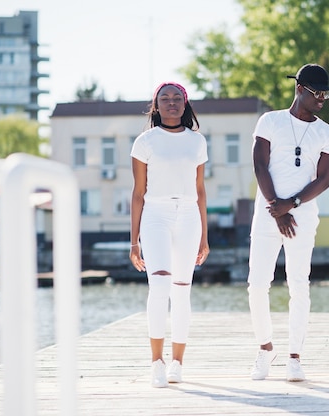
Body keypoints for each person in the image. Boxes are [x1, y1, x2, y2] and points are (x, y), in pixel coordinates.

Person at [248, 64, 329, 382]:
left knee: (299, 284)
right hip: (268, 212)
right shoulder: (270, 121)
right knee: (257, 283)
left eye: (326, 94)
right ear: (299, 89)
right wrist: (277, 207)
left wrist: (293, 204)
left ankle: (294, 357)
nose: (323, 99)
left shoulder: (326, 132)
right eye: (318, 93)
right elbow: (260, 165)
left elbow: (324, 179)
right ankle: (265, 348)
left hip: (302, 215)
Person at [129, 82, 209, 388]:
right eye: (165, 99)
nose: (171, 103)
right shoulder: (145, 141)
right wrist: (134, 241)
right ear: (156, 105)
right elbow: (138, 193)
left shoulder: (197, 141)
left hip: (189, 216)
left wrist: (205, 237)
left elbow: (201, 190)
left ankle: (177, 362)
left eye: (177, 99)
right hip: (156, 215)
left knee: (181, 289)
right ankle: (156, 362)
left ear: (185, 104)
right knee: (159, 285)